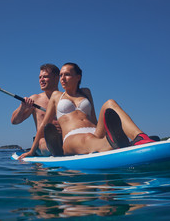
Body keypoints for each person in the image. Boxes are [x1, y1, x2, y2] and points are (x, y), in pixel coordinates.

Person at [19, 62, 155, 158]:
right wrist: (32, 151)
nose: (62, 78)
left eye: (67, 74)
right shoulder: (57, 96)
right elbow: (43, 125)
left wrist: (100, 129)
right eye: (60, 75)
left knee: (110, 103)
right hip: (72, 137)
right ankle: (114, 144)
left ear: (78, 77)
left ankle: (140, 138)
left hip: (94, 131)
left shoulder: (86, 92)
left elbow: (94, 119)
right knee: (88, 139)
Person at [11, 63, 61, 156]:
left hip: (63, 138)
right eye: (40, 77)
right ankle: (55, 150)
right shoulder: (35, 99)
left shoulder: (65, 98)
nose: (41, 80)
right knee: (42, 141)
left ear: (57, 78)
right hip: (42, 142)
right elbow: (14, 121)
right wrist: (22, 108)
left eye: (45, 77)